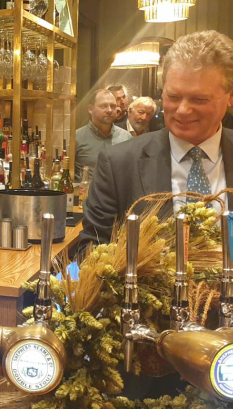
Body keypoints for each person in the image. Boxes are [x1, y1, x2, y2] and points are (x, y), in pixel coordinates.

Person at [81, 30, 233, 248]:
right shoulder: (118, 164)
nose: (182, 110)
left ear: (229, 97)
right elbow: (92, 252)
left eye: (199, 99)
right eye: (173, 97)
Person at [74, 89, 131, 181]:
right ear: (90, 109)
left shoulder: (126, 137)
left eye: (113, 106)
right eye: (103, 106)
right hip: (86, 194)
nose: (109, 110)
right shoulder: (76, 138)